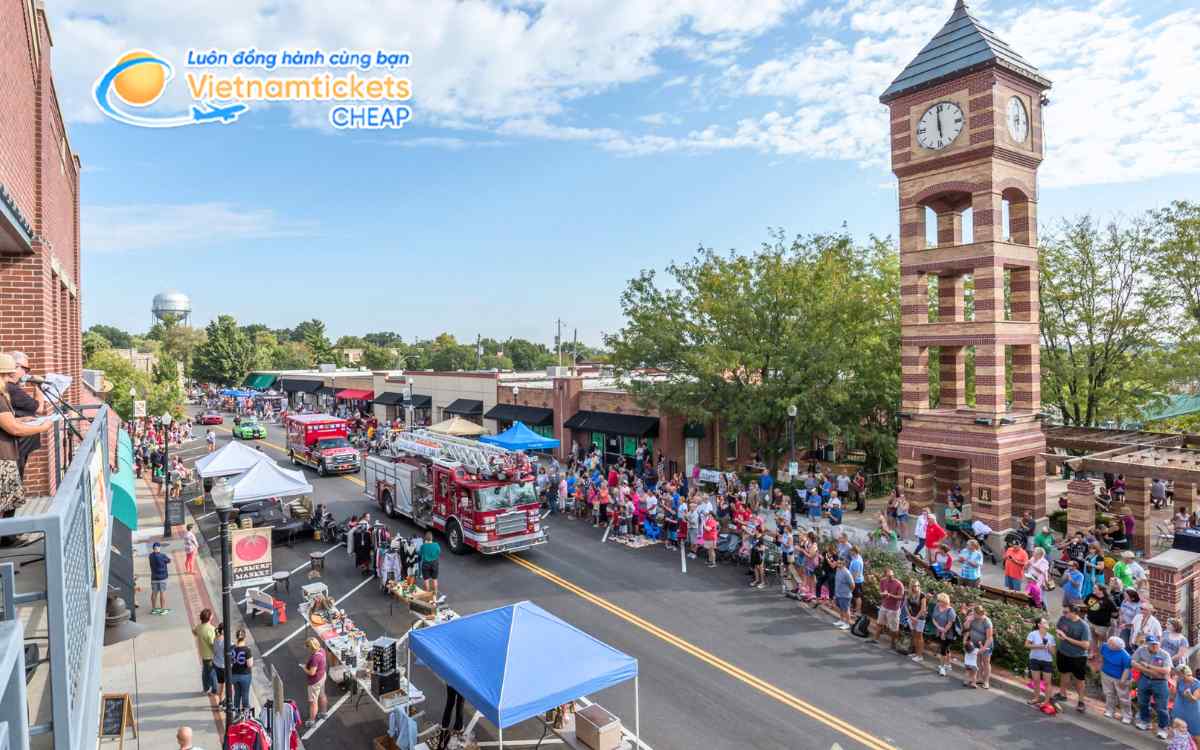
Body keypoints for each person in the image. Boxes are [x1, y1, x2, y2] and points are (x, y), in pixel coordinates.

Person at [0, 354, 54, 517]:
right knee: (6, 501)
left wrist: (21, 419)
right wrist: (42, 427)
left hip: (7, 453)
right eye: (7, 375)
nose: (9, 380)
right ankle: (7, 537)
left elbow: (9, 421)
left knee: (7, 500)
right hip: (3, 455)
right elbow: (14, 429)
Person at [4, 352, 50, 479]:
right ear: (15, 367)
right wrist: (37, 386)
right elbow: (39, 408)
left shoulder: (11, 388)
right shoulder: (11, 389)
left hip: (17, 446)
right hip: (15, 447)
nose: (27, 373)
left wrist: (21, 419)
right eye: (26, 369)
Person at [1053, 605, 1091, 713]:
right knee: (1064, 673)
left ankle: (1081, 701)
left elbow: (1086, 645)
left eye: (1066, 612)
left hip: (1078, 657)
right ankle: (1062, 694)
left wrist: (1066, 638)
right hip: (1063, 652)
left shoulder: (1083, 626)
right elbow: (1058, 628)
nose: (1064, 614)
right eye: (1063, 612)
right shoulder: (1063, 618)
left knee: (1079, 679)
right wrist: (1059, 634)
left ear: (1074, 613)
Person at [1134, 635, 1173, 737]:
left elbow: (1166, 671)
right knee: (1142, 702)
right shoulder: (1141, 650)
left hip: (1160, 682)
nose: (1155, 646)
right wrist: (1150, 671)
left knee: (1161, 707)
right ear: (1147, 644)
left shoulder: (1164, 654)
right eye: (1152, 644)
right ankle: (1145, 722)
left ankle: (1163, 728)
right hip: (1145, 679)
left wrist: (1147, 666)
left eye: (1156, 644)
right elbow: (1133, 662)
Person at [1099, 635, 1133, 723]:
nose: (1109, 644)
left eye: (1111, 644)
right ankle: (1109, 711)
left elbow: (1127, 669)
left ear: (1118, 647)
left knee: (1123, 697)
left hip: (1120, 677)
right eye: (1109, 642)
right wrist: (1100, 667)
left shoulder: (1125, 655)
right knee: (1109, 693)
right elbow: (1102, 656)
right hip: (1106, 674)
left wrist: (1123, 680)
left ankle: (1127, 716)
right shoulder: (1105, 646)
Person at [871, 568, 904, 651]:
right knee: (879, 623)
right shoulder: (883, 581)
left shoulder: (899, 584)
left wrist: (890, 595)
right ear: (885, 575)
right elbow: (880, 592)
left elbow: (901, 597)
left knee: (893, 628)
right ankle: (875, 639)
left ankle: (893, 643)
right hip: (884, 606)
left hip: (894, 609)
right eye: (889, 576)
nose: (891, 577)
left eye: (892, 575)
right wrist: (883, 594)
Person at [1025, 618, 1056, 707]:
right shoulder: (1033, 634)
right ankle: (1036, 698)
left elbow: (1053, 652)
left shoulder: (1051, 637)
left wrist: (1048, 647)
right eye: (1045, 622)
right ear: (1039, 625)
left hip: (1047, 661)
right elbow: (1026, 645)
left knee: (1047, 683)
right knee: (1036, 680)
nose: (1047, 623)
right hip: (1034, 660)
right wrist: (1038, 646)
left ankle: (1046, 702)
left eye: (1047, 622)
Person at [963, 604, 993, 689]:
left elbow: (989, 638)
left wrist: (983, 649)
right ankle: (979, 678)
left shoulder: (987, 621)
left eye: (974, 614)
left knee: (986, 662)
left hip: (986, 644)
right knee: (978, 661)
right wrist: (968, 620)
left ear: (979, 614)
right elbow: (966, 628)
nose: (973, 615)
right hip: (974, 643)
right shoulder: (972, 618)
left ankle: (986, 681)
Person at [930, 593, 957, 677]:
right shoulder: (937, 607)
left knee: (943, 650)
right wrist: (938, 627)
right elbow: (933, 618)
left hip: (948, 634)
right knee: (947, 648)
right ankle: (948, 665)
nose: (938, 602)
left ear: (944, 601)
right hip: (939, 630)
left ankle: (942, 668)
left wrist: (943, 632)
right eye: (938, 601)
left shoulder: (950, 611)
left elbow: (950, 623)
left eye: (939, 601)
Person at [193, 608, 218, 697]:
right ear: (209, 618)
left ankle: (206, 688)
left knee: (205, 672)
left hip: (203, 654)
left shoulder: (199, 627)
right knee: (212, 673)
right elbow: (212, 643)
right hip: (210, 655)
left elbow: (194, 632)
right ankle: (215, 689)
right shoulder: (211, 629)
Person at [1173, 665, 1200, 745]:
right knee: (1179, 734)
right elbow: (1174, 695)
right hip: (1179, 710)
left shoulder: (1197, 684)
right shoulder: (1179, 681)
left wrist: (1189, 695)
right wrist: (1173, 687)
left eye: (1189, 675)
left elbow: (1194, 700)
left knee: (1196, 736)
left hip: (1193, 713)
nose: (1189, 677)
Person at [303, 637, 328, 723]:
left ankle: (311, 720)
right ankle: (323, 713)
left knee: (313, 702)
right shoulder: (322, 650)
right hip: (322, 676)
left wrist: (304, 668)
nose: (307, 649)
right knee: (322, 695)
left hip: (315, 681)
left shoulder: (315, 658)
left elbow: (311, 672)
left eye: (307, 647)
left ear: (311, 647)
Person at [903, 579, 928, 663]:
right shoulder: (908, 594)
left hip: (920, 618)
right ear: (911, 587)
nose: (916, 587)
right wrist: (910, 617)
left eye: (917, 586)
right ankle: (915, 653)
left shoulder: (922, 595)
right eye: (914, 586)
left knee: (919, 636)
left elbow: (923, 609)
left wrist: (915, 618)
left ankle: (920, 655)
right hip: (911, 617)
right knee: (914, 635)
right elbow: (905, 606)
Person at [229, 627, 254, 711]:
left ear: (237, 637)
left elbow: (231, 662)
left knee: (237, 694)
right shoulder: (247, 650)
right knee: (245, 694)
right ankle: (245, 712)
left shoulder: (232, 649)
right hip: (245, 675)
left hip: (234, 675)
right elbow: (250, 664)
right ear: (244, 637)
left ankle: (236, 712)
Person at [148, 541, 172, 615]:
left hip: (154, 577)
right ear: (158, 548)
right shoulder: (162, 555)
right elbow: (169, 560)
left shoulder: (150, 556)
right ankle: (162, 609)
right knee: (162, 593)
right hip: (162, 577)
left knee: (154, 593)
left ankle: (154, 609)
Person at [832, 559, 853, 630]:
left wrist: (848, 592)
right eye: (837, 563)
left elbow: (852, 585)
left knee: (846, 609)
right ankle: (841, 620)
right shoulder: (838, 570)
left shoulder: (847, 573)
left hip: (845, 595)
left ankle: (847, 623)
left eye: (840, 563)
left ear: (844, 564)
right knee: (841, 608)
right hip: (838, 594)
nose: (838, 564)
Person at [419, 531, 441, 597]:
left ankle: (428, 594)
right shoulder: (436, 545)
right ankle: (435, 592)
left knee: (426, 580)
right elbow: (439, 552)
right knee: (435, 579)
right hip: (434, 563)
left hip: (425, 564)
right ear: (432, 538)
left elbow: (420, 554)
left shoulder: (423, 546)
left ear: (425, 539)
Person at [212, 623, 226, 703]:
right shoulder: (226, 642)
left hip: (217, 664)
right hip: (223, 666)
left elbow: (214, 651)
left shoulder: (215, 639)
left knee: (220, 683)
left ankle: (220, 700)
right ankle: (223, 700)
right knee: (226, 685)